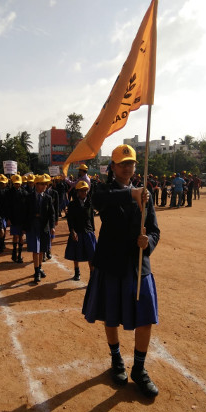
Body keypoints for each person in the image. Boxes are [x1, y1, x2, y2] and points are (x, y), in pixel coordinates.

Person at [82, 144, 160, 398]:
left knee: (146, 317)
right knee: (111, 314)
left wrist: (148, 241)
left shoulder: (144, 194)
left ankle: (139, 368)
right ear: (112, 167)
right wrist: (132, 195)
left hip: (138, 264)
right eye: (122, 163)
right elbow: (101, 201)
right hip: (112, 263)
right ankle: (116, 359)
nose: (128, 167)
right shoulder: (103, 189)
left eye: (131, 163)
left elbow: (155, 230)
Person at [24, 174, 55, 284]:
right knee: (35, 249)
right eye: (42, 184)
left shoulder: (48, 198)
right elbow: (25, 213)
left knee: (42, 249)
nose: (44, 186)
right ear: (36, 185)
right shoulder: (29, 197)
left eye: (45, 184)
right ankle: (36, 272)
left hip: (44, 226)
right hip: (33, 225)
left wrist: (52, 227)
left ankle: (39, 267)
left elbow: (52, 213)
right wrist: (24, 227)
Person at [65, 181, 96, 281]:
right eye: (82, 191)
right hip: (77, 232)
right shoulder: (72, 204)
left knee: (91, 254)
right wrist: (72, 231)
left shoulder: (90, 203)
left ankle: (92, 274)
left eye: (86, 190)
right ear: (77, 192)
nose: (84, 193)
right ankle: (77, 272)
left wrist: (93, 231)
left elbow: (91, 218)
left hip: (88, 232)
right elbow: (70, 219)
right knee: (76, 253)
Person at [7, 174, 28, 263]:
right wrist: (8, 218)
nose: (17, 185)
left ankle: (19, 254)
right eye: (15, 183)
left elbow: (27, 207)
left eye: (18, 183)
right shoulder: (9, 193)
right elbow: (7, 206)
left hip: (22, 218)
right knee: (15, 235)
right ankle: (14, 251)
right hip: (13, 218)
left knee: (21, 236)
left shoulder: (24, 193)